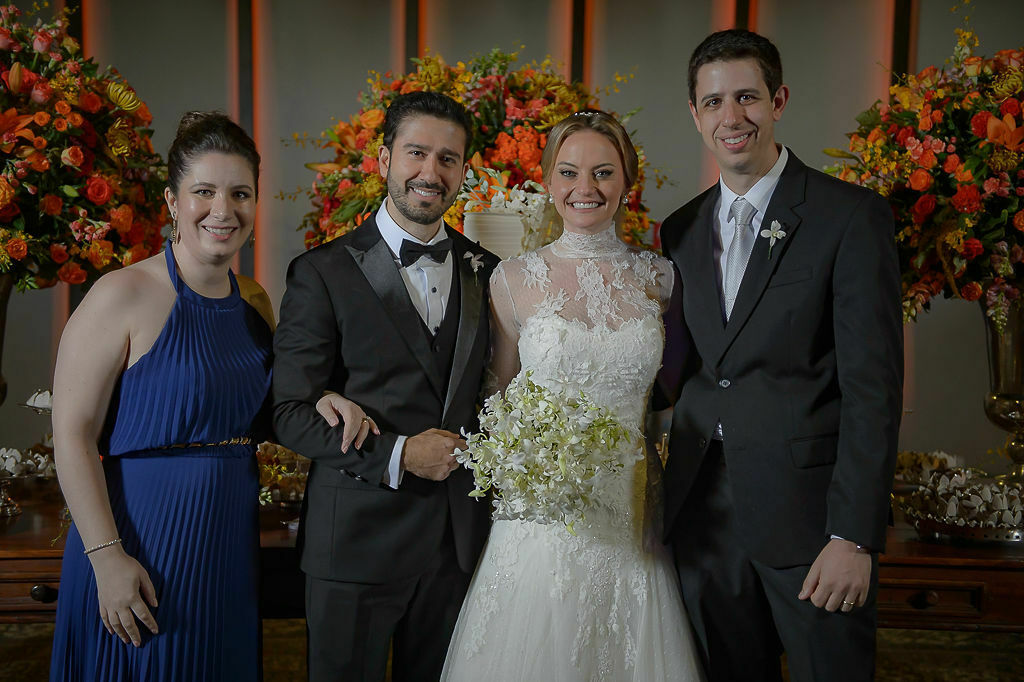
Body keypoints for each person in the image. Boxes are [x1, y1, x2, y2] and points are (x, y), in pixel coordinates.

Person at [658, 29, 903, 682]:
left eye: (746, 98)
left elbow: (873, 390)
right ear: (695, 114)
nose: (731, 118)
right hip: (701, 523)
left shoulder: (850, 218)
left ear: (779, 99)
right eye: (713, 103)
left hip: (812, 526)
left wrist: (854, 537)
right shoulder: (679, 229)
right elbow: (680, 373)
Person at [440, 110, 702, 681]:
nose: (586, 188)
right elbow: (497, 399)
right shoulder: (510, 279)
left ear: (627, 183)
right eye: (570, 172)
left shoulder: (662, 278)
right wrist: (525, 465)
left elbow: (678, 394)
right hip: (543, 511)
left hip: (632, 504)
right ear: (549, 183)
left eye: (604, 172)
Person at [272, 91, 500, 682]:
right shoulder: (321, 272)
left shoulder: (488, 270)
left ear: (464, 171)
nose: (432, 172)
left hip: (456, 545)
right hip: (355, 544)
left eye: (448, 159)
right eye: (417, 153)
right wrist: (399, 453)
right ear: (383, 159)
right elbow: (290, 410)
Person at [49, 112, 273, 681]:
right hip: (138, 547)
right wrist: (107, 559)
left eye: (240, 193)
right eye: (204, 192)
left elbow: (271, 414)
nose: (224, 210)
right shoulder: (120, 294)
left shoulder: (256, 303)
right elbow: (71, 435)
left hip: (226, 546)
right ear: (172, 201)